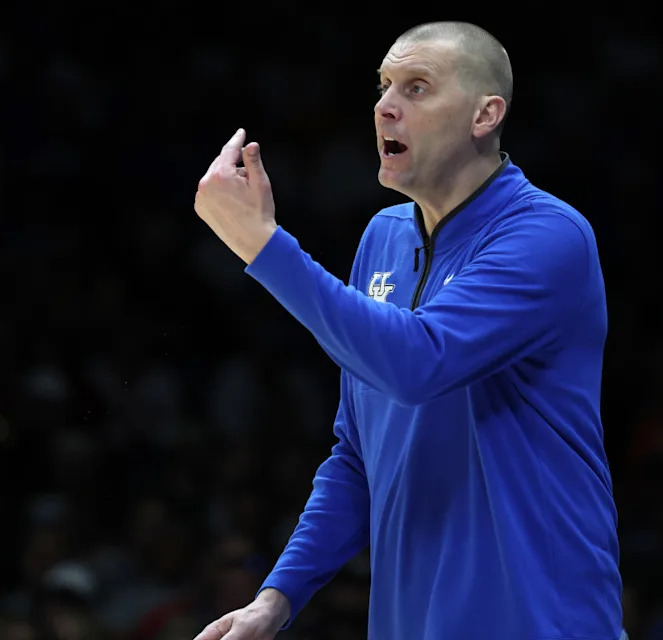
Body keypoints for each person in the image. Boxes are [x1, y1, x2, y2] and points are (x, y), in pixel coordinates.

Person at [192, 20, 625, 640]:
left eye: (416, 88)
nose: (385, 107)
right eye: (384, 86)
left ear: (485, 115)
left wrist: (262, 245)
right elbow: (358, 457)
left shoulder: (548, 236)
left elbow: (418, 364)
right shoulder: (383, 237)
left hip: (539, 622)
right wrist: (276, 598)